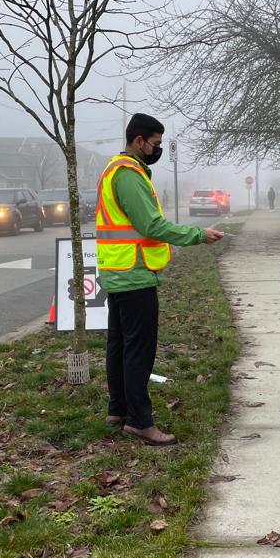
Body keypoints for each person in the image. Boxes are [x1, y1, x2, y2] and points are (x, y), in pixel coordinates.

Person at [97, 112, 223, 447]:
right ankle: (140, 421)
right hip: (134, 274)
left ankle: (118, 409)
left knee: (120, 345)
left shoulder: (116, 170)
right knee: (138, 350)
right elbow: (152, 225)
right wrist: (198, 234)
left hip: (120, 272)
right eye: (155, 143)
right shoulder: (128, 175)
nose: (157, 149)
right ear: (139, 141)